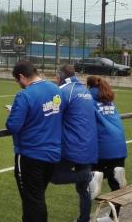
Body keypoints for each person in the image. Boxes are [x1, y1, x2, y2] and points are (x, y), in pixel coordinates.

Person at [5, 61, 62, 222]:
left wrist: (12, 113)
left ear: (22, 77)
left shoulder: (25, 95)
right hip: (52, 154)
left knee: (32, 201)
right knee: (37, 197)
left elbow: (13, 126)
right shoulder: (55, 89)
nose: (18, 85)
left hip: (31, 154)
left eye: (17, 81)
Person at [50, 64, 102, 222]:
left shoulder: (64, 91)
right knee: (83, 187)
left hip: (73, 145)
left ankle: (90, 175)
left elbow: (52, 113)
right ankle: (84, 218)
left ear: (59, 78)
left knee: (54, 176)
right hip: (89, 144)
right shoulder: (84, 90)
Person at [87, 76, 128, 222]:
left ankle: (84, 217)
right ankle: (113, 217)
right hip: (119, 144)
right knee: (115, 186)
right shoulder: (109, 100)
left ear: (88, 86)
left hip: (103, 146)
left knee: (88, 180)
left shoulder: (88, 99)